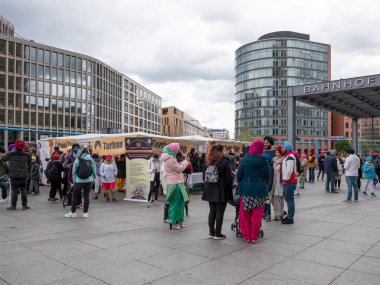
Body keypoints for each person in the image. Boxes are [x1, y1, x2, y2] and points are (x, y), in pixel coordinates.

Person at [237, 140, 268, 242]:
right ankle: (254, 236)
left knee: (245, 214)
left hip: (247, 190)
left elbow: (239, 175)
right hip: (261, 191)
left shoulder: (245, 159)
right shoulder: (264, 161)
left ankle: (247, 235)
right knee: (257, 215)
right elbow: (267, 177)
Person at [202, 144, 233, 240]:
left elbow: (204, 177)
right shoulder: (224, 161)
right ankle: (218, 233)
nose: (225, 152)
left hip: (210, 189)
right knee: (220, 212)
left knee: (212, 211)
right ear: (220, 151)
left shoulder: (208, 161)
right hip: (221, 189)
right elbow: (229, 179)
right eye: (223, 150)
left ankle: (211, 232)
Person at [160, 143, 189, 230]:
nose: (178, 151)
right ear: (174, 150)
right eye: (177, 149)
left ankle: (179, 222)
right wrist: (186, 162)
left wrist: (183, 162)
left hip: (177, 183)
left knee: (181, 203)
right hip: (175, 184)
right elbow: (179, 169)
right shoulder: (170, 159)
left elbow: (177, 167)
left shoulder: (170, 158)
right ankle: (173, 222)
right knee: (176, 204)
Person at [65, 148, 96, 218]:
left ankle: (73, 212)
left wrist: (75, 180)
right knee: (86, 196)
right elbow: (94, 170)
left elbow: (74, 171)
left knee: (75, 196)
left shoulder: (78, 159)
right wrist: (92, 179)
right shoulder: (91, 159)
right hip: (89, 180)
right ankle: (85, 213)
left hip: (79, 181)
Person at [3, 140, 32, 210]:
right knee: (23, 190)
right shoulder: (27, 154)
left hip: (13, 175)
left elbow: (4, 158)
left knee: (14, 191)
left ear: (15, 146)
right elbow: (29, 161)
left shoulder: (10, 154)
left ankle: (13, 206)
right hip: (23, 175)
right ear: (23, 147)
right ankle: (24, 205)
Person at [281, 141, 298, 224]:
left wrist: (285, 179)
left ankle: (290, 218)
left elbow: (289, 171)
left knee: (290, 200)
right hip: (288, 182)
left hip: (289, 182)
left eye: (283, 147)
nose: (282, 149)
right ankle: (289, 216)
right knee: (288, 200)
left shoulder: (290, 157)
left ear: (287, 148)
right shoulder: (287, 157)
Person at [263, 136, 276, 221]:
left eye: (267, 142)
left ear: (271, 143)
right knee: (266, 195)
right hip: (264, 175)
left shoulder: (275, 152)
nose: (265, 144)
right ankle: (267, 214)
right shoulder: (263, 151)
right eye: (264, 142)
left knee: (274, 197)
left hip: (274, 176)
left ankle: (279, 212)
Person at [271, 146, 285, 220]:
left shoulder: (283, 160)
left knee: (280, 198)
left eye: (277, 152)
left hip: (280, 183)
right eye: (276, 151)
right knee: (274, 199)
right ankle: (277, 214)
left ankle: (281, 213)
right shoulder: (273, 160)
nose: (276, 153)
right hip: (274, 182)